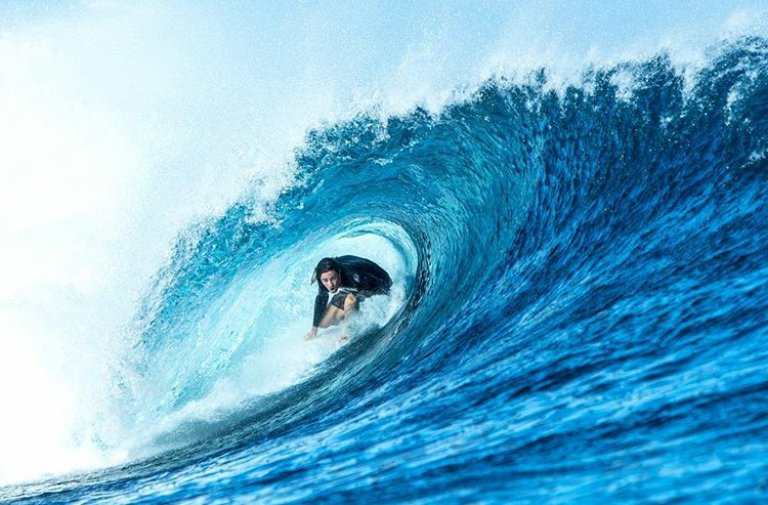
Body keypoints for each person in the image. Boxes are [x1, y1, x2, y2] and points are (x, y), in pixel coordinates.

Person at [303, 255, 392, 341]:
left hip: (374, 281)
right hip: (354, 283)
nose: (330, 284)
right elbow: (322, 297)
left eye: (333, 278)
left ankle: (348, 330)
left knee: (350, 299)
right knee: (323, 323)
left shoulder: (357, 278)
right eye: (325, 280)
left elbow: (386, 285)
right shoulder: (324, 276)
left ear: (338, 273)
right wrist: (314, 329)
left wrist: (394, 300)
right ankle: (346, 315)